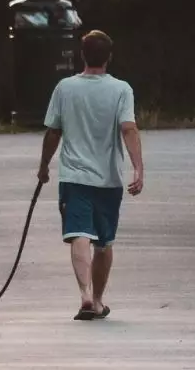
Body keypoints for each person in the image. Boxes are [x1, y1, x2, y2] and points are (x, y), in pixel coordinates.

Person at [37, 29, 144, 321]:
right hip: (108, 179)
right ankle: (97, 300)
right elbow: (129, 129)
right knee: (104, 243)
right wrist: (138, 168)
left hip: (74, 177)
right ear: (109, 57)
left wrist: (44, 166)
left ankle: (85, 294)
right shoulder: (121, 89)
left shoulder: (65, 88)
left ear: (82, 55)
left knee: (79, 234)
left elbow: (53, 132)